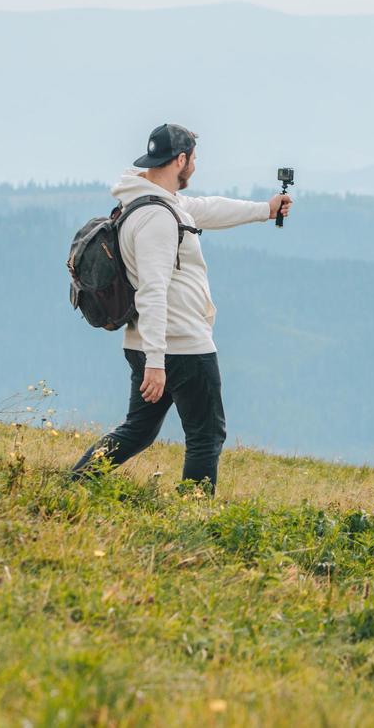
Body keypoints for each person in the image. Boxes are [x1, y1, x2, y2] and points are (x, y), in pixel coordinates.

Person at [71, 123, 291, 492]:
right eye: (193, 161)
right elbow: (153, 292)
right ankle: (193, 516)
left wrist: (263, 210)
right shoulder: (157, 217)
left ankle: (73, 484)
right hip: (180, 345)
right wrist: (157, 364)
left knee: (137, 430)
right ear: (181, 159)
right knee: (207, 435)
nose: (194, 169)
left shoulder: (148, 201)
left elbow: (203, 209)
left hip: (145, 342)